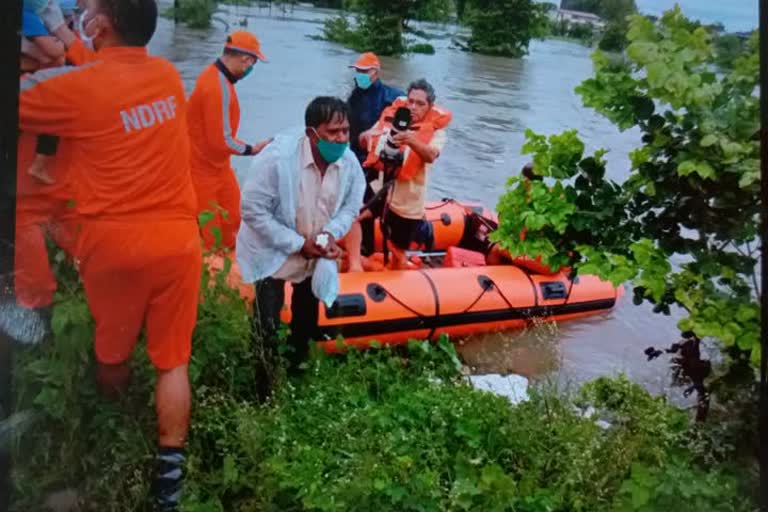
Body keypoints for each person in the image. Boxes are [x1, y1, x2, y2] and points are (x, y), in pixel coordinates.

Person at [18, 0, 201, 509]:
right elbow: (104, 79)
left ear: (100, 24)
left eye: (87, 9)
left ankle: (113, 429)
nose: (80, 12)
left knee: (112, 355)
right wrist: (67, 39)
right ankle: (170, 485)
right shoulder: (167, 77)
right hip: (180, 241)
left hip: (116, 246)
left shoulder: (76, 90)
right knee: (173, 362)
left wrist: (37, 42)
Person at [236, 97, 365, 386]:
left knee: (306, 320)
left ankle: (297, 374)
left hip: (315, 250)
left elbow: (351, 206)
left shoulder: (349, 162)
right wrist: (297, 244)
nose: (342, 138)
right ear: (312, 133)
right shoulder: (276, 159)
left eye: (345, 130)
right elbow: (252, 210)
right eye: (333, 132)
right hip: (274, 251)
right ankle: (262, 388)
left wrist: (330, 234)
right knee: (266, 323)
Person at [186, 31, 273, 252]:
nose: (250, 69)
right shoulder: (218, 87)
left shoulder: (217, 79)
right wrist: (252, 149)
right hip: (201, 172)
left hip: (218, 168)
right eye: (252, 63)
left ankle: (234, 267)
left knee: (234, 220)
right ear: (246, 60)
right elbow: (221, 140)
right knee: (211, 233)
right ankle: (212, 274)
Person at [355, 79, 452, 270]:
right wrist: (365, 136)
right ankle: (360, 259)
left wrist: (410, 139)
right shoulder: (393, 118)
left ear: (429, 106)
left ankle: (396, 276)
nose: (413, 107)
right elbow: (365, 138)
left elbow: (431, 155)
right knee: (357, 218)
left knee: (398, 252)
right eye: (411, 101)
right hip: (380, 190)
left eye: (420, 104)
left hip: (407, 202)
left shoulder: (436, 132)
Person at [344, 52, 404, 269]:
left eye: (363, 71)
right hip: (355, 159)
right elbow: (348, 128)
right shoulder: (355, 96)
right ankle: (362, 246)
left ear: (375, 73)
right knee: (355, 203)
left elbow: (407, 116)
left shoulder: (391, 96)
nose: (359, 75)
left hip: (377, 163)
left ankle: (370, 249)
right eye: (357, 71)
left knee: (370, 203)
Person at [21, 2, 66, 186]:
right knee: (55, 108)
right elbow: (55, 53)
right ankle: (39, 164)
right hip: (27, 82)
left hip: (29, 74)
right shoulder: (28, 16)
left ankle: (39, 164)